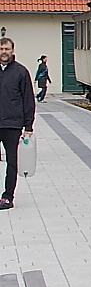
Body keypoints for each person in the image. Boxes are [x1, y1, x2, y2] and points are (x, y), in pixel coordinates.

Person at [0, 38, 36, 209]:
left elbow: (28, 99)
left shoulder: (21, 72)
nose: (4, 52)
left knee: (12, 162)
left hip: (12, 125)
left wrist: (28, 126)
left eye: (7, 48)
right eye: (1, 48)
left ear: (13, 50)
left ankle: (7, 197)